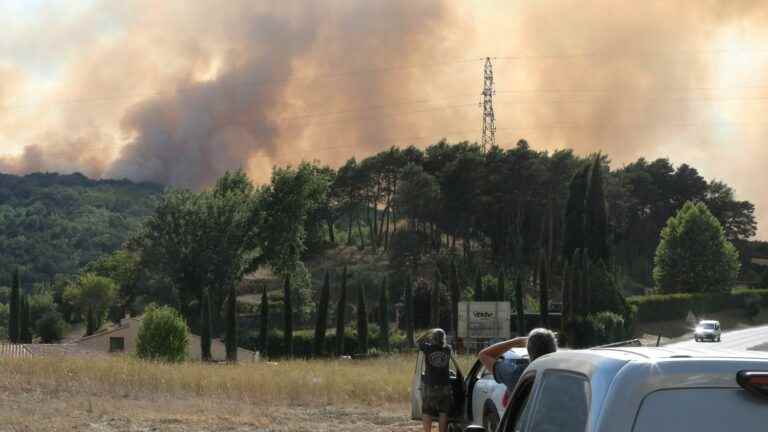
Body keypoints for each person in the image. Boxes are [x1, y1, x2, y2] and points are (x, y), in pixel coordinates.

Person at [478, 328, 558, 389]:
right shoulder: (563, 374)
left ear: (528, 349)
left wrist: (516, 341)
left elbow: (484, 355)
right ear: (555, 349)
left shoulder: (518, 373)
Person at [417, 328, 452, 432]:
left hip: (431, 385)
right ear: (443, 338)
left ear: (432, 338)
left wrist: (428, 332)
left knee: (427, 411)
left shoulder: (428, 348)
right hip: (445, 385)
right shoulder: (448, 349)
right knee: (443, 412)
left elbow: (418, 341)